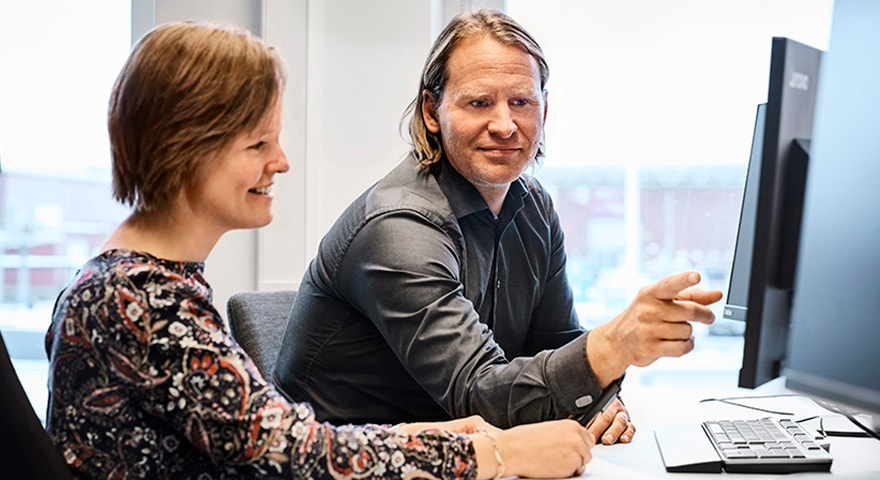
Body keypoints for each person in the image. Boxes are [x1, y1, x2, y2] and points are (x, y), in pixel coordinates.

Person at [43, 21, 596, 479]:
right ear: (187, 150)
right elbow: (298, 457)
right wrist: (492, 453)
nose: (281, 161)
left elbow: (280, 438)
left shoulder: (150, 282)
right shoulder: (140, 301)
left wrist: (423, 435)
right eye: (259, 143)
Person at [272, 9, 723, 445]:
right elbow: (479, 395)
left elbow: (558, 346)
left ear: (544, 112)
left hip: (468, 454)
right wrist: (612, 348)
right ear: (433, 112)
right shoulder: (398, 227)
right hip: (359, 462)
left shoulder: (533, 209)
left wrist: (597, 398)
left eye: (522, 102)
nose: (505, 125)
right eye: (479, 102)